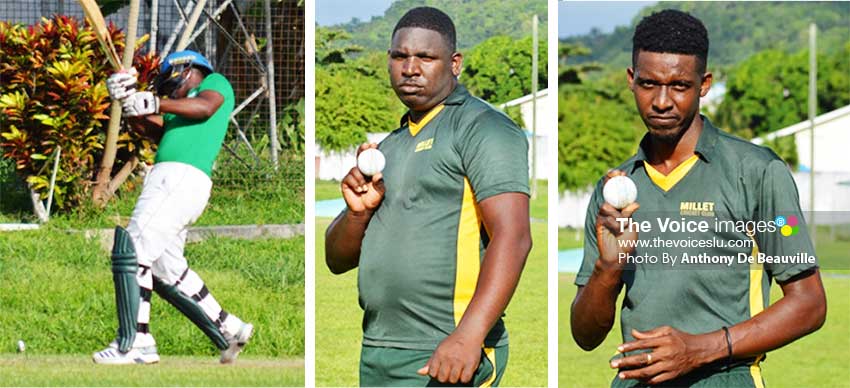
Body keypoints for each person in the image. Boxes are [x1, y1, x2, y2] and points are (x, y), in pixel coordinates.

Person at [571, 9, 827, 387]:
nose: (661, 101)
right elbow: (585, 336)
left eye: (678, 85)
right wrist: (607, 269)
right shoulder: (615, 188)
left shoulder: (758, 174)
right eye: (648, 84)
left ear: (703, 84)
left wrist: (701, 349)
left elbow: (810, 303)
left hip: (724, 378)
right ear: (631, 80)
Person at [325, 7, 532, 386]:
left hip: (445, 350)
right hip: (378, 351)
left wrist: (468, 337)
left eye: (425, 57)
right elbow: (336, 261)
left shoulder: (483, 128)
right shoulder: (390, 146)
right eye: (400, 57)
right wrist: (357, 214)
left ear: (454, 63)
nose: (410, 68)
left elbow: (514, 237)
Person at [92, 50, 253, 365]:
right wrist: (128, 103)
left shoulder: (213, 83)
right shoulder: (179, 111)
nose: (167, 91)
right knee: (167, 270)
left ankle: (135, 343)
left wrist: (154, 102)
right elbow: (149, 129)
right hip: (176, 180)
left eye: (169, 84)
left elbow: (206, 107)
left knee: (133, 250)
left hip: (179, 177)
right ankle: (230, 328)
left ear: (187, 70)